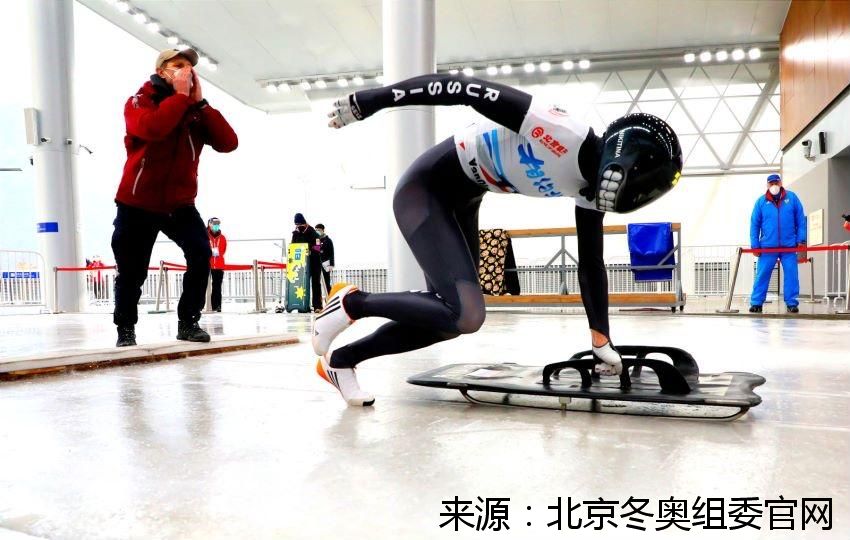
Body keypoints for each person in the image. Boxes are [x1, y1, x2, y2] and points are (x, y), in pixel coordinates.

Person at [312, 73, 683, 406]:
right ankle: (352, 302)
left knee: (447, 322)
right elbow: (461, 88)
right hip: (426, 188)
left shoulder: (588, 191)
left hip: (461, 199)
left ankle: (342, 362)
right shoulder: (560, 130)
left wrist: (601, 340)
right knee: (465, 313)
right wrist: (375, 99)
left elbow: (590, 264)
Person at [111, 48, 238, 347]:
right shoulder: (140, 100)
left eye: (190, 67)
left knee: (200, 254)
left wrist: (201, 104)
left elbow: (228, 142)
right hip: (137, 202)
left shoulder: (194, 111)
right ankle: (125, 328)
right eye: (178, 65)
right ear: (162, 71)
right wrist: (180, 97)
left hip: (179, 204)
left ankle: (188, 321)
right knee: (132, 271)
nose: (186, 71)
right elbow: (152, 128)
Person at [748, 174, 806, 314]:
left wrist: (801, 240)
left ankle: (791, 303)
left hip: (789, 246)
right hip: (768, 247)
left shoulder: (792, 198)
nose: (774, 185)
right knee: (762, 275)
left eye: (776, 182)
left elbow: (800, 220)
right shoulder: (761, 202)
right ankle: (756, 303)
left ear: (780, 183)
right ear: (767, 185)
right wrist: (755, 245)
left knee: (792, 275)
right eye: (771, 183)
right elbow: (754, 224)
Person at [291, 213, 324, 312]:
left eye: (300, 224)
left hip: (314, 261)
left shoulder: (313, 233)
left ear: (304, 223)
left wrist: (309, 249)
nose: (299, 227)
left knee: (315, 283)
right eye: (297, 225)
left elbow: (318, 247)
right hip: (301, 263)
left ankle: (317, 306)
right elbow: (293, 247)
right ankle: (303, 305)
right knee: (302, 283)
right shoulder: (295, 233)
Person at [207, 217, 227, 312]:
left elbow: (223, 250)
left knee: (217, 287)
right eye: (214, 223)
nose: (216, 225)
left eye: (218, 223)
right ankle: (202, 306)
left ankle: (216, 306)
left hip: (219, 265)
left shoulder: (222, 238)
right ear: (210, 224)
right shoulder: (205, 236)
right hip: (207, 264)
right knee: (203, 286)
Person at [315, 223, 335, 295]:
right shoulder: (317, 240)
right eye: (316, 230)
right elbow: (317, 250)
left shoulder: (328, 240)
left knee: (327, 282)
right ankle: (319, 299)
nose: (317, 231)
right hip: (317, 263)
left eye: (319, 230)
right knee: (317, 282)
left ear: (323, 230)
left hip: (326, 263)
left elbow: (331, 253)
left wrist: (331, 265)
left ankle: (329, 297)